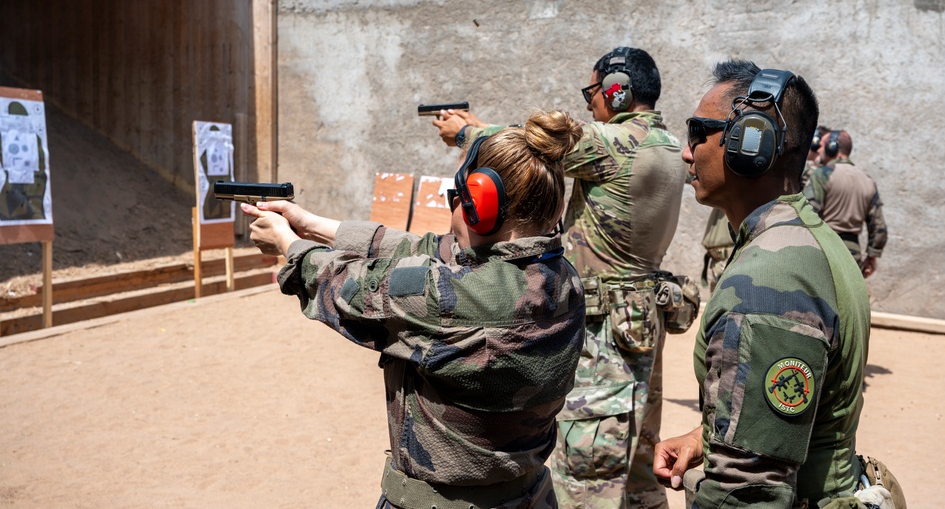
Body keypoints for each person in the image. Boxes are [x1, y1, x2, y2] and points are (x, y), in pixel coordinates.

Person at [244, 110, 587, 509]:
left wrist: (290, 248)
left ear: (481, 206)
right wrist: (312, 224)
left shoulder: (452, 300)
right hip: (530, 496)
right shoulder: (560, 277)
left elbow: (350, 287)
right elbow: (425, 248)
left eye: (458, 198)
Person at [433, 47, 687, 509]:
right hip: (640, 320)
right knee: (636, 466)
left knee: (586, 469)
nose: (591, 103)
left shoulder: (617, 144)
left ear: (618, 90)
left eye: (593, 92)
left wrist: (464, 131)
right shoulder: (668, 146)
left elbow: (527, 149)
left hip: (603, 329)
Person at [653, 61, 872, 508]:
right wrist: (708, 435)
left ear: (751, 142)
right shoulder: (803, 235)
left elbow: (747, 492)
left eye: (699, 131)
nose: (686, 151)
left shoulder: (769, 281)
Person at [804, 129, 888, 278]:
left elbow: (807, 215)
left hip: (824, 252)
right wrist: (871, 257)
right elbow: (879, 226)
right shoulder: (867, 180)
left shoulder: (821, 175)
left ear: (832, 147)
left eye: (822, 146)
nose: (819, 150)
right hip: (853, 258)